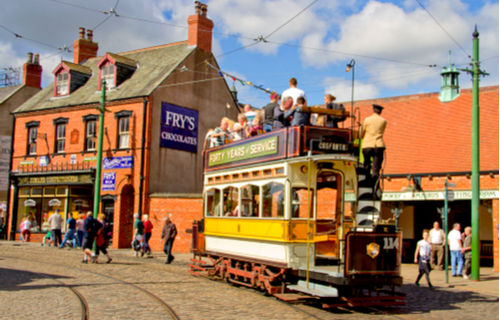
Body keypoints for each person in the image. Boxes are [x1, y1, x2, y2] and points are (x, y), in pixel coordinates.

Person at [360, 104, 387, 187]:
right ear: (380, 112)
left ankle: (367, 179)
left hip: (367, 145)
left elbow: (361, 134)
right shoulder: (384, 121)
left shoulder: (367, 120)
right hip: (378, 145)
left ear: (373, 111)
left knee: (367, 163)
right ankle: (375, 183)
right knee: (376, 166)